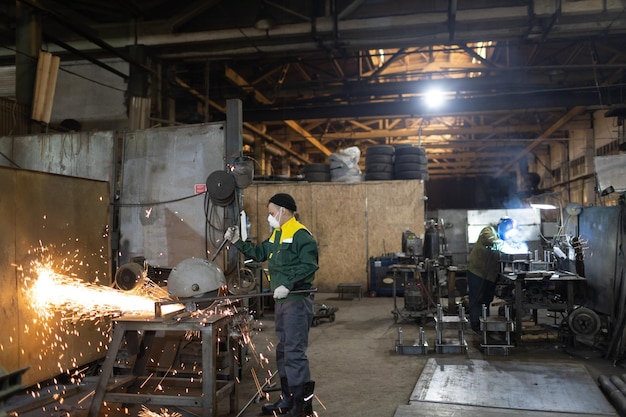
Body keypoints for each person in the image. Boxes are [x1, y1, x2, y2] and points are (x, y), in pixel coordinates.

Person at [224, 193, 318, 417]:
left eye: (270, 213)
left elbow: (310, 265)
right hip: (282, 302)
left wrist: (286, 283)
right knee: (284, 351)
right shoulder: (278, 234)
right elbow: (259, 253)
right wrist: (238, 241)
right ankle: (287, 399)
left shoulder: (301, 235)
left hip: (296, 300)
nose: (269, 217)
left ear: (283, 211)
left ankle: (302, 406)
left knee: (294, 352)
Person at [466, 217, 518, 333]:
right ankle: (476, 326)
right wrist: (512, 249)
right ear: (502, 227)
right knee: (477, 300)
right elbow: (497, 243)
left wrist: (515, 245)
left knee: (487, 300)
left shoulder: (501, 237)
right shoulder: (487, 232)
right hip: (477, 273)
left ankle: (485, 324)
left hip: (490, 275)